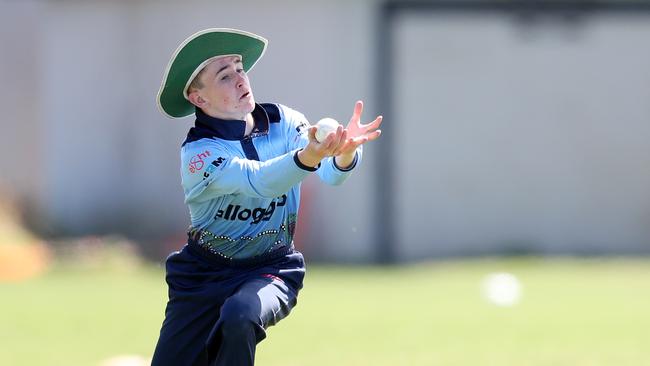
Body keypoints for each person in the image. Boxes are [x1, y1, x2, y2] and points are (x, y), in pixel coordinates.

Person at [151, 28, 382, 366]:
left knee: (241, 314)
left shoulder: (286, 123)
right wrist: (309, 157)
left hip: (271, 267)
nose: (241, 80)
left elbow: (331, 174)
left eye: (240, 68)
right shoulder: (198, 155)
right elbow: (259, 181)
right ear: (199, 99)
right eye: (225, 76)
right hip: (201, 279)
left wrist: (343, 154)